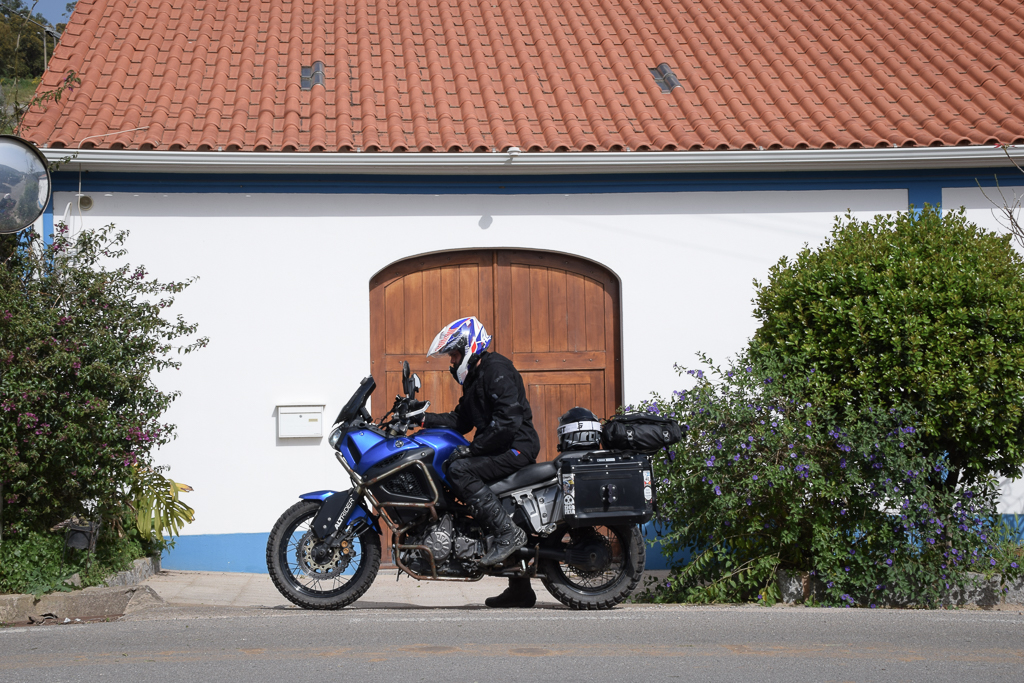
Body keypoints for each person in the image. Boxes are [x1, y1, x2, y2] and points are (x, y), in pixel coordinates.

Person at [416, 316, 540, 608]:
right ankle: (520, 588)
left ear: (470, 347)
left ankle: (508, 533)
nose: (452, 361)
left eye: (455, 354)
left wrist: (473, 450)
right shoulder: (477, 377)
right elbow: (460, 420)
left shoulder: (497, 370)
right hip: (500, 446)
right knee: (454, 465)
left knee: (459, 469)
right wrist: (422, 418)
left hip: (515, 448)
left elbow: (508, 422)